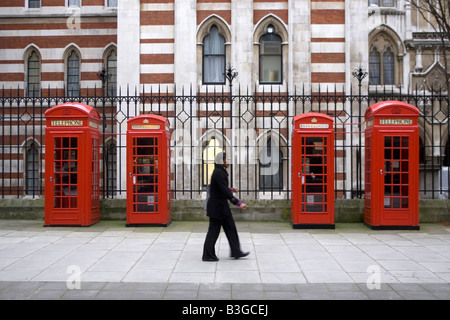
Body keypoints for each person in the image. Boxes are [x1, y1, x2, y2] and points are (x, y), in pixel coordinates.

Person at [202, 152, 250, 261]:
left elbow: (220, 188)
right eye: (226, 159)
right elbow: (223, 191)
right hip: (217, 208)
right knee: (213, 231)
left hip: (221, 207)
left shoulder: (220, 172)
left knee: (231, 229)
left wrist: (231, 189)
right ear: (221, 161)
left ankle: (236, 251)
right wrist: (238, 203)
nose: (228, 161)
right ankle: (207, 255)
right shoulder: (219, 173)